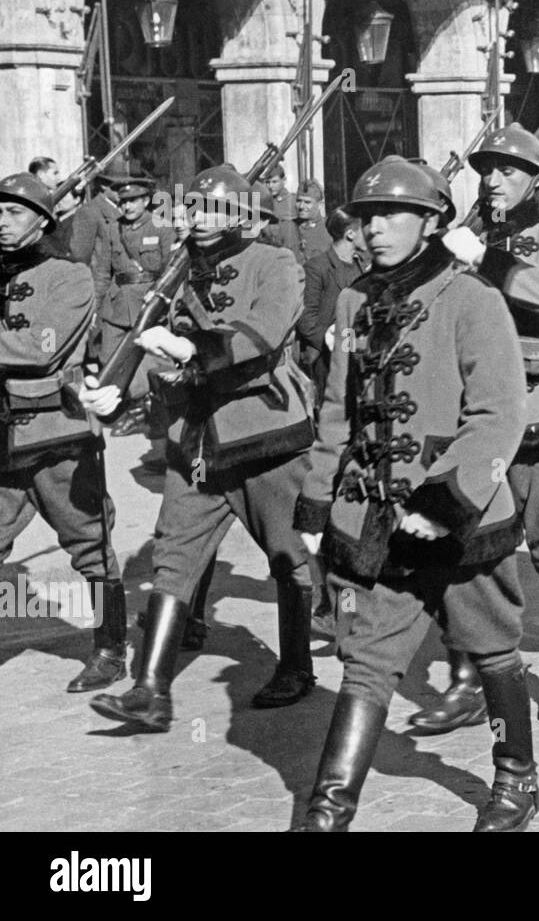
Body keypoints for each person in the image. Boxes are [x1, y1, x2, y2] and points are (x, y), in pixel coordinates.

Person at [291, 156, 536, 833]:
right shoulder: (352, 301)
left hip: (459, 519)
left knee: (491, 647)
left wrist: (445, 501)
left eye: (389, 215)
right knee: (367, 660)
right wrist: (316, 500)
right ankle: (327, 809)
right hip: (376, 517)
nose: (372, 230)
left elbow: (499, 413)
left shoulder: (472, 298)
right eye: (364, 218)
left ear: (431, 221)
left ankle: (517, 775)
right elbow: (336, 412)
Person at [88, 164, 318, 731]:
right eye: (193, 208)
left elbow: (266, 332)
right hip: (197, 439)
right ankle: (150, 690)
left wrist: (193, 351)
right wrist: (116, 392)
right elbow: (149, 345)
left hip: (266, 432)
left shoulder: (275, 262)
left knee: (289, 556)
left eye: (214, 209)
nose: (199, 219)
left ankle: (296, 664)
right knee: (172, 559)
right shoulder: (179, 272)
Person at [413, 124, 539, 730]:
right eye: (486, 169)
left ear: (537, 181)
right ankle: (469, 680)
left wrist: (485, 260)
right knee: (464, 546)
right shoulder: (468, 230)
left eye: (508, 170)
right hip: (474, 417)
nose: (493, 180)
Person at [0, 172, 125, 693]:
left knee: (88, 544)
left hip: (57, 434)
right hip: (3, 438)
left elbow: (39, 348)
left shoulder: (68, 277)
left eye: (14, 213)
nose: (1, 223)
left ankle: (110, 647)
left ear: (43, 220)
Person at [90, 172, 176, 463]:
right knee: (111, 362)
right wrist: (96, 308)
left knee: (152, 362)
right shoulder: (111, 228)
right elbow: (103, 272)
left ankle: (146, 412)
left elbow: (172, 269)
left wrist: (166, 304)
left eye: (132, 201)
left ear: (145, 200)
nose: (126, 207)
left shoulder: (161, 224)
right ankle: (127, 408)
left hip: (151, 302)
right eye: (123, 201)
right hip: (118, 304)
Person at [297, 206, 367, 405]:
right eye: (365, 229)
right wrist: (333, 345)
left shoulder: (360, 265)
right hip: (325, 358)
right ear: (351, 234)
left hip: (355, 352)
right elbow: (306, 319)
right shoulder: (317, 267)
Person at [278, 180, 333, 265]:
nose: (301, 206)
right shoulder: (287, 227)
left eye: (307, 202)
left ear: (320, 205)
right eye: (299, 201)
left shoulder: (329, 228)